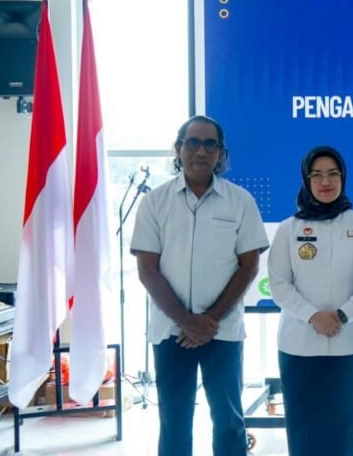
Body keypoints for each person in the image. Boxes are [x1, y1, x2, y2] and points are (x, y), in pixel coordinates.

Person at [131, 115, 269, 456]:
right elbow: (147, 270)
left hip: (222, 331)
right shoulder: (155, 202)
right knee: (174, 421)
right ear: (178, 148)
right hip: (171, 332)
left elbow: (249, 266)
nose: (201, 151)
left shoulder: (240, 201)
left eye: (210, 144)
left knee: (229, 420)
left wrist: (209, 321)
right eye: (193, 142)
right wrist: (187, 321)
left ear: (220, 153)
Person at [267, 145, 353, 456]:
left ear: (343, 178)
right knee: (303, 430)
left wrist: (343, 315)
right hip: (298, 345)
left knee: (344, 429)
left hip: (351, 344)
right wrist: (312, 315)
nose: (325, 182)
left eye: (333, 174)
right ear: (306, 180)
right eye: (317, 175)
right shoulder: (288, 229)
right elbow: (279, 284)